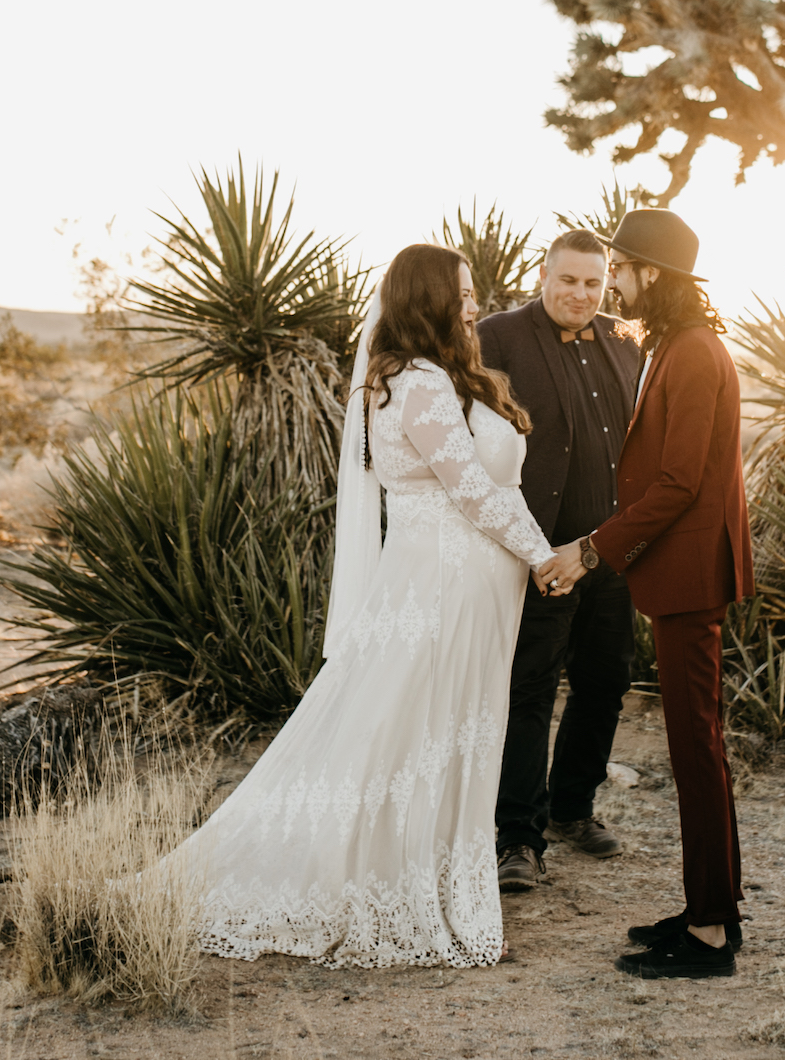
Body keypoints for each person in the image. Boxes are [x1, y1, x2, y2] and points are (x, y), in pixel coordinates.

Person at [153, 244, 559, 968]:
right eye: (462, 294)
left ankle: (410, 869)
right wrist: (544, 553)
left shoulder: (398, 378)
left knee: (413, 732)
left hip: (438, 581)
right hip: (441, 586)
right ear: (428, 299)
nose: (474, 305)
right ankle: (393, 884)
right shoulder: (423, 385)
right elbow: (469, 489)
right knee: (417, 734)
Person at [537, 208, 753, 981]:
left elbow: (679, 481)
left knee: (697, 747)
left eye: (621, 269)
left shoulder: (694, 353)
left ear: (650, 275)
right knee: (697, 746)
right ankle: (709, 909)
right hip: (682, 576)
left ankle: (708, 933)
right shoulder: (678, 347)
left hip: (692, 579)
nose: (614, 282)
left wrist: (595, 547)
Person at [477, 228, 644, 895]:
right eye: (568, 279)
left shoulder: (624, 342)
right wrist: (529, 547)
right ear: (542, 275)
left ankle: (575, 807)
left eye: (592, 282)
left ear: (606, 283)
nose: (580, 293)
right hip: (537, 550)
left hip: (608, 551)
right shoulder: (499, 337)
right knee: (529, 689)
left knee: (606, 680)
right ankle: (518, 835)